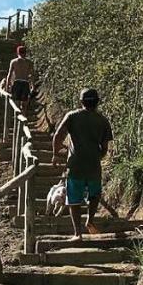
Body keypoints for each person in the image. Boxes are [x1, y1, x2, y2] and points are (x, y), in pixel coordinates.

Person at [51, 88, 113, 241]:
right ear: (97, 102)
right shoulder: (103, 121)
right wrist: (97, 157)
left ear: (81, 102)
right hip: (93, 165)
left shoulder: (72, 116)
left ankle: (77, 233)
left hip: (75, 164)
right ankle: (90, 220)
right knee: (94, 194)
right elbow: (105, 148)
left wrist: (55, 154)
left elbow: (58, 135)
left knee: (74, 199)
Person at [4, 45, 36, 115]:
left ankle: (17, 122)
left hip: (16, 83)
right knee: (24, 105)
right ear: (25, 53)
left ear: (17, 53)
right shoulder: (29, 62)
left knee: (16, 105)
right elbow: (32, 76)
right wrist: (33, 86)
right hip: (25, 83)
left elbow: (9, 75)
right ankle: (23, 120)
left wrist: (7, 87)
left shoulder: (13, 62)